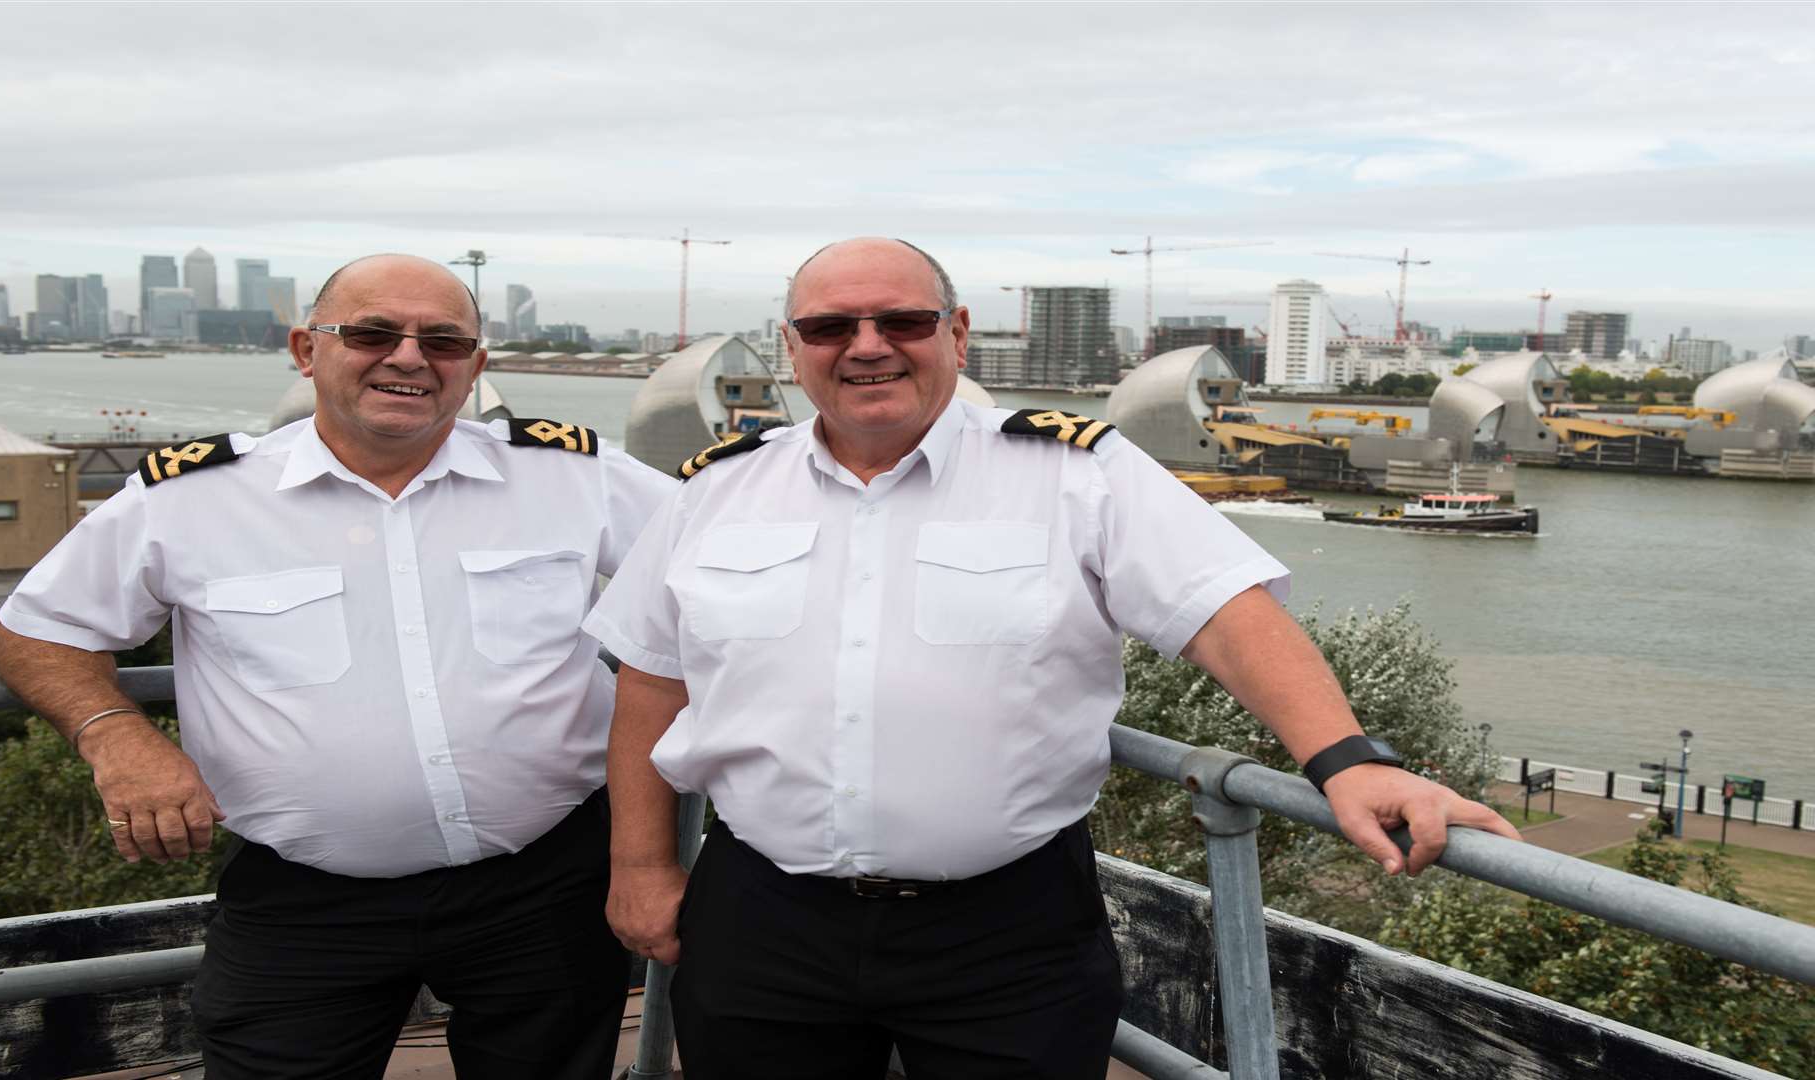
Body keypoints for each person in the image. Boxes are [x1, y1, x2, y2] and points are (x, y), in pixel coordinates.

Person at [583, 237, 1522, 1079]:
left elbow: (1226, 616)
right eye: (831, 326)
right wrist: (641, 867)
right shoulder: (717, 492)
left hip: (1006, 928)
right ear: (792, 347)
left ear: (955, 333)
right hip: (762, 917)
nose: (867, 345)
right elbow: (653, 678)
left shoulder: (1076, 472)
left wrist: (1347, 762)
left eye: (901, 320)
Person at [0, 254, 675, 1080]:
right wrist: (117, 738)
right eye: (372, 333)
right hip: (305, 902)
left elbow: (716, 576)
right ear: (306, 350)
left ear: (477, 366)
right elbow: (36, 631)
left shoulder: (572, 477)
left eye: (444, 341)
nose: (410, 358)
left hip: (543, 886)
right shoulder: (194, 497)